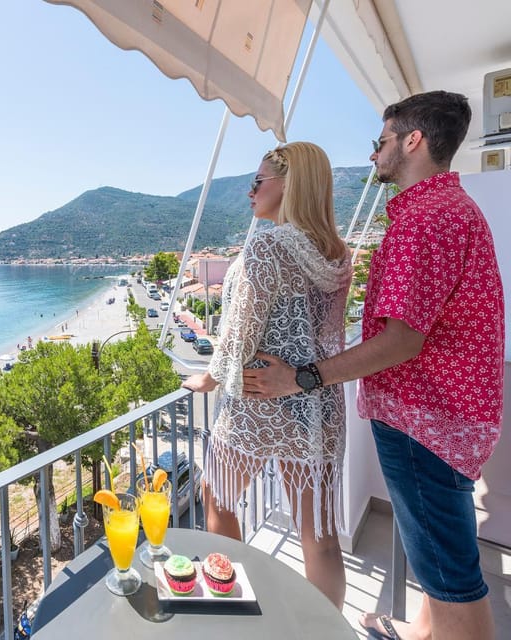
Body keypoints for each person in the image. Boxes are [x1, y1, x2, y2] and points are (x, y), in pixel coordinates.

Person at [242, 91, 503, 640]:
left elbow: (401, 340)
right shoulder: (449, 210)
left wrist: (302, 375)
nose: (373, 155)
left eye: (380, 142)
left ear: (413, 141)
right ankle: (422, 633)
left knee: (451, 574)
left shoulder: (424, 221)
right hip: (450, 416)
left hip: (425, 418)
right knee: (438, 552)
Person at [183, 141, 352, 608]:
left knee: (215, 497)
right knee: (318, 534)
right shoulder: (338, 255)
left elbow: (240, 331)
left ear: (289, 186)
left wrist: (210, 378)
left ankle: (231, 606)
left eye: (257, 182)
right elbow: (325, 334)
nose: (249, 192)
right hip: (317, 406)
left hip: (257, 400)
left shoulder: (267, 247)